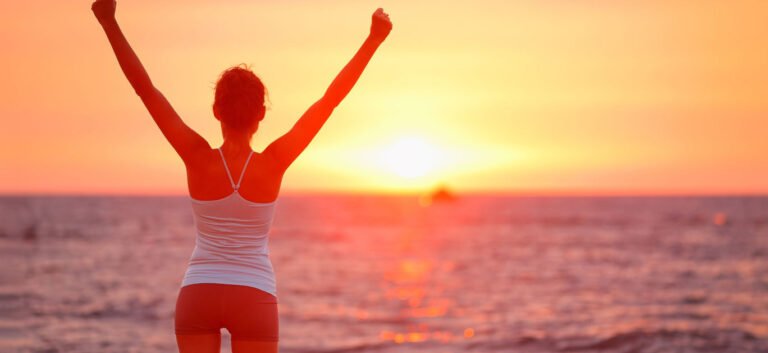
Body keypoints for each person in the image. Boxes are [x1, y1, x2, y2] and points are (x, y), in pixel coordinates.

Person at [91, 1, 392, 352]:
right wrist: (373, 40)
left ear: (216, 110)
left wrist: (109, 23)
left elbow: (145, 89)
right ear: (261, 114)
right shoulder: (274, 162)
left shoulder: (195, 156)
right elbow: (330, 101)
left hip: (198, 292)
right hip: (254, 296)